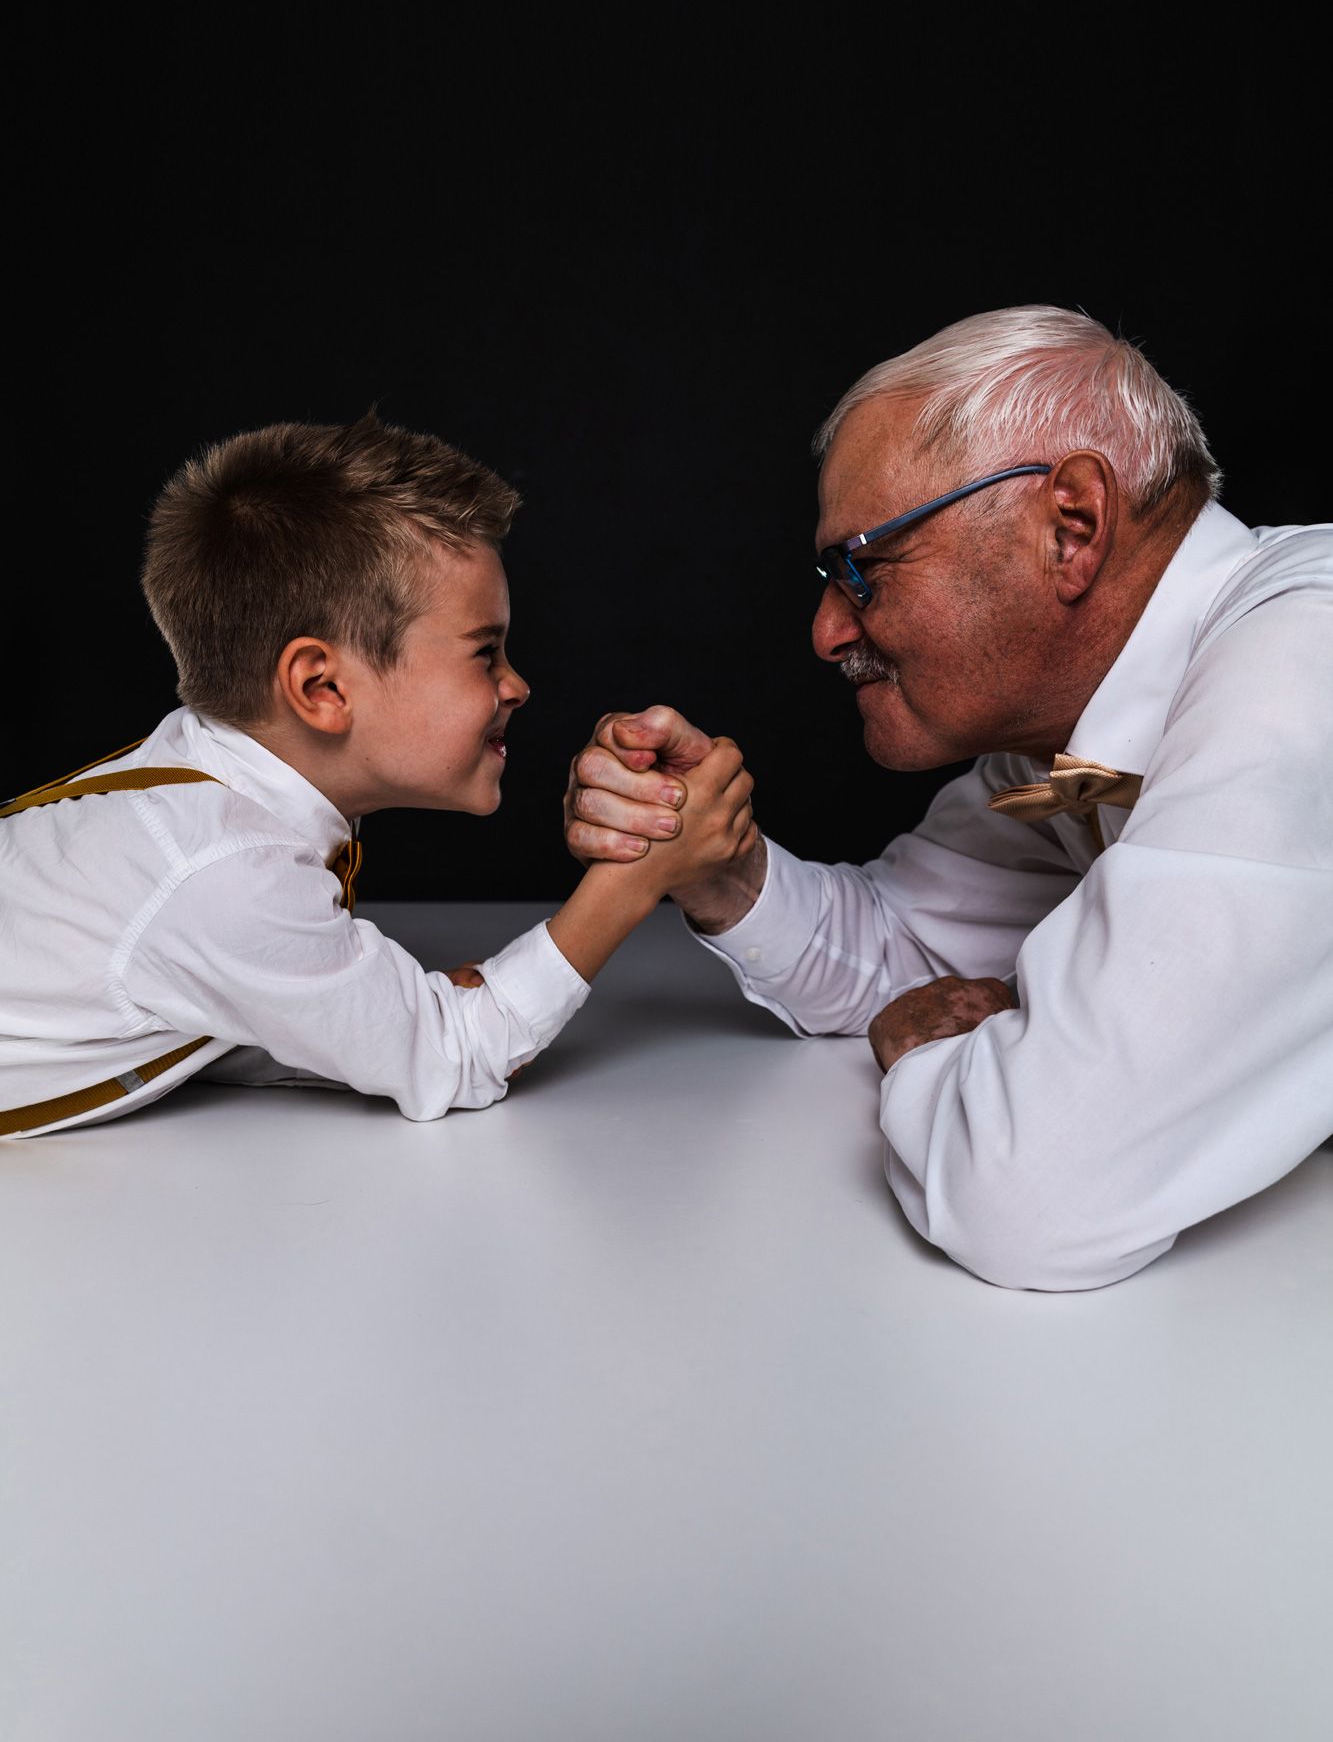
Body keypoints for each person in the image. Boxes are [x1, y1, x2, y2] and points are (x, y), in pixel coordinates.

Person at [564, 306, 1333, 1292]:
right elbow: (907, 941)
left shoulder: (1298, 664)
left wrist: (929, 1050)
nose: (826, 631)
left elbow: (1035, 1193)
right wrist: (721, 865)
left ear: (1072, 526)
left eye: (863, 567)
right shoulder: (1055, 760)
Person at [0, 412, 754, 1139]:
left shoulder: (195, 789)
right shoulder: (224, 871)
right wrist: (635, 876)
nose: (516, 684)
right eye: (483, 653)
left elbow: (221, 995)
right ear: (323, 689)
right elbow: (455, 1058)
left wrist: (387, 1011)